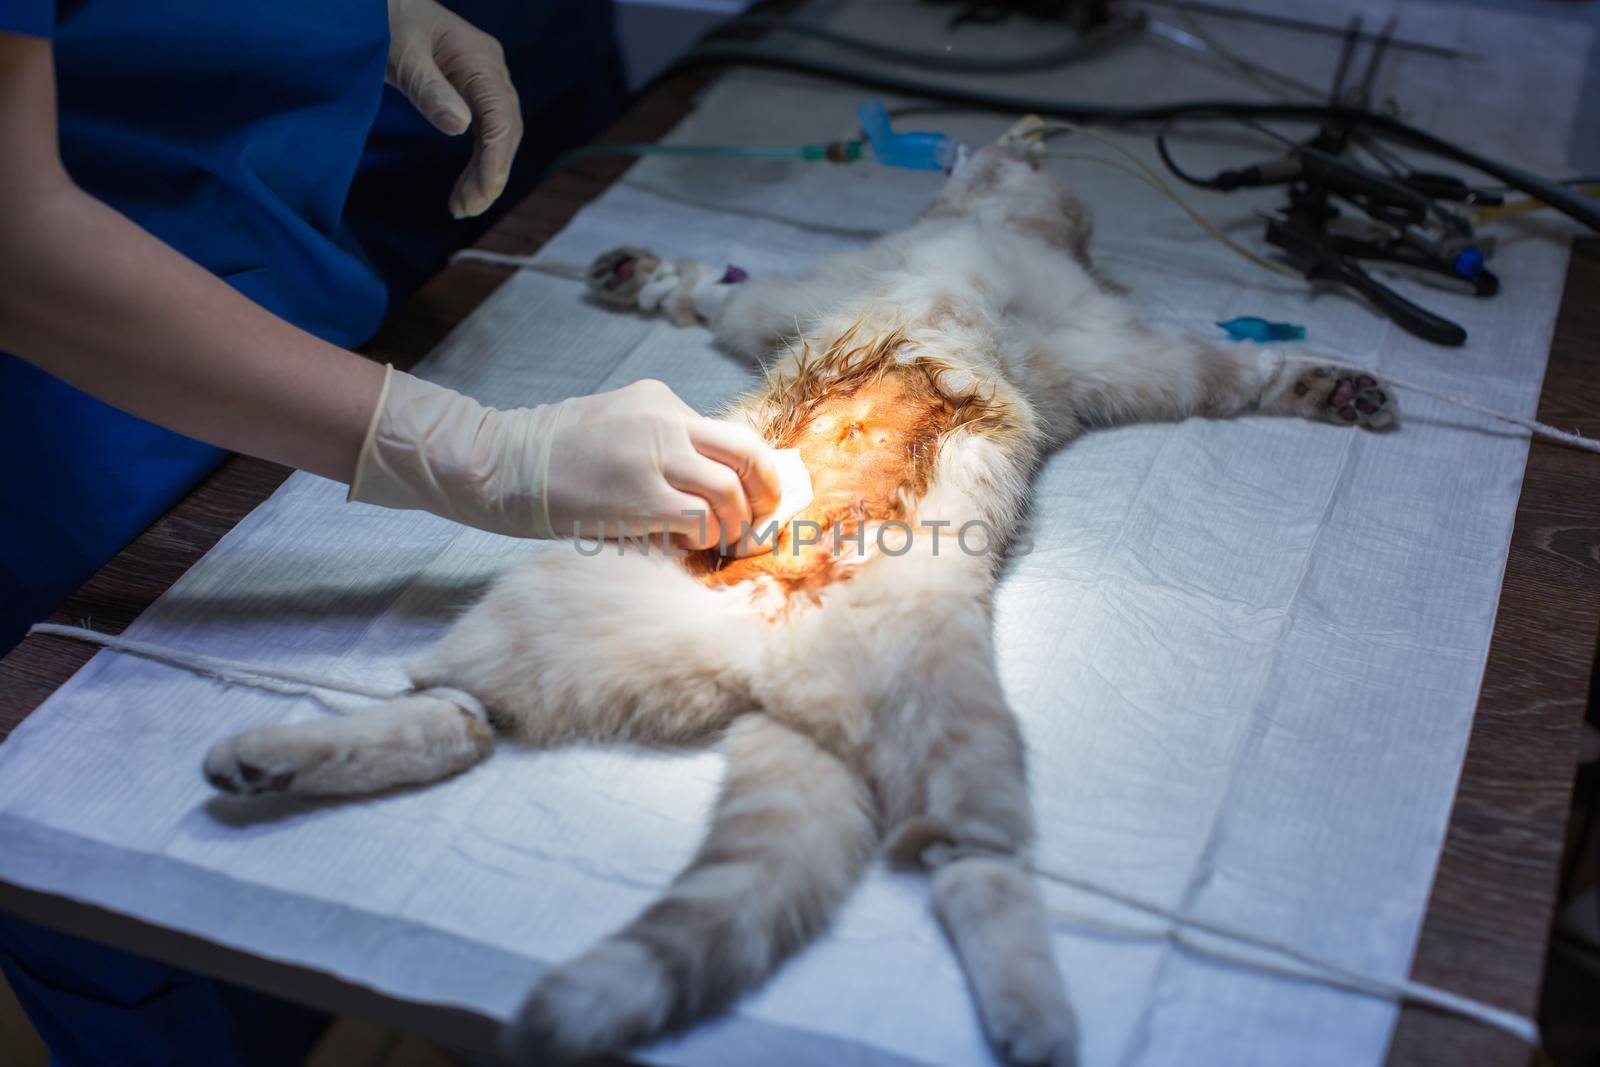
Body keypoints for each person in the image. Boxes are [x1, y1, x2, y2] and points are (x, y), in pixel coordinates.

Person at [0, 2, 779, 1062]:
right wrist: (473, 450)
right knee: (147, 877)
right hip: (64, 416)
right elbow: (18, 239)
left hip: (265, 310)